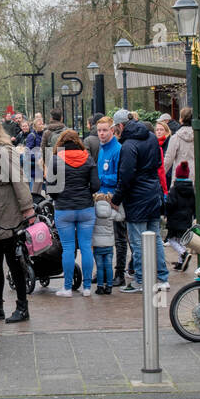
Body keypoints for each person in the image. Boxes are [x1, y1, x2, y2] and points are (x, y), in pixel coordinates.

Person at [0, 113, 35, 322]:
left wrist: (28, 209)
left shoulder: (5, 152)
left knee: (14, 263)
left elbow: (19, 181)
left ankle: (22, 307)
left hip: (9, 217)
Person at [111, 110, 169, 291]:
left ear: (121, 126)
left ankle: (141, 280)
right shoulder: (151, 137)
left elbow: (126, 175)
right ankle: (162, 278)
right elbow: (158, 164)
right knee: (156, 238)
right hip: (153, 192)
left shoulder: (128, 145)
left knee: (137, 241)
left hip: (137, 197)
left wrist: (116, 198)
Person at [45, 128, 100, 295]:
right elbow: (96, 185)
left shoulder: (55, 160)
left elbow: (51, 189)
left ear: (60, 142)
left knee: (68, 248)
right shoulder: (88, 159)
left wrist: (60, 196)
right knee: (85, 247)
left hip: (64, 209)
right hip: (85, 208)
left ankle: (67, 287)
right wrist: (84, 192)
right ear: (78, 142)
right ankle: (88, 287)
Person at [93, 115, 126, 287]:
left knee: (119, 237)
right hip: (101, 198)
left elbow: (119, 176)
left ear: (112, 130)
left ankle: (119, 273)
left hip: (114, 199)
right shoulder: (101, 148)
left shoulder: (118, 149)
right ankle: (102, 272)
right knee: (100, 237)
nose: (102, 134)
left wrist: (101, 178)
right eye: (99, 131)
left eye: (105, 130)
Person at [164, 160, 195, 268]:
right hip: (186, 220)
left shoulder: (174, 189)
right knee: (180, 240)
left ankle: (183, 253)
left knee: (171, 240)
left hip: (174, 220)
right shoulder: (191, 190)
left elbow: (170, 204)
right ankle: (182, 263)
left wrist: (166, 213)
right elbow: (193, 205)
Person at [92, 191, 121, 293]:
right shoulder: (111, 212)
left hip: (97, 244)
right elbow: (122, 216)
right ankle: (109, 287)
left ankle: (100, 287)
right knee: (108, 266)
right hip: (109, 245)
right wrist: (116, 207)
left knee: (99, 267)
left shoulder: (93, 212)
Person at [163, 107, 195, 187]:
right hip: (196, 174)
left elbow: (168, 159)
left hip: (180, 175)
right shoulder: (199, 136)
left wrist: (160, 175)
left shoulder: (175, 137)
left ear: (181, 119)